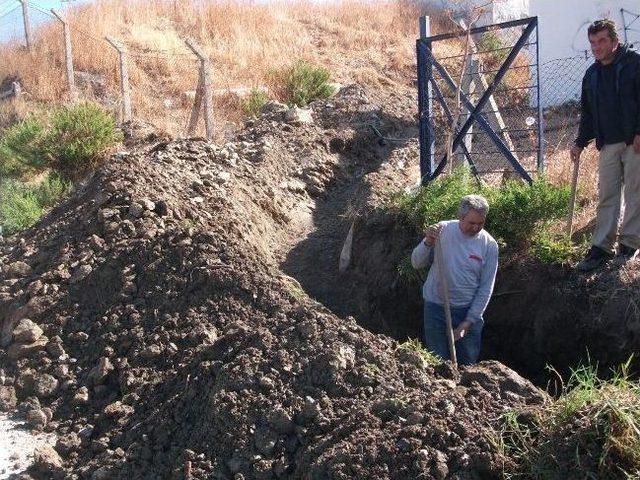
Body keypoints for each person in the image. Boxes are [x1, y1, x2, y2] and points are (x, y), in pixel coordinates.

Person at [571, 19, 640, 271]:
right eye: (592, 42)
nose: (596, 47)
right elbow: (587, 114)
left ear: (614, 41)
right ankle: (601, 248)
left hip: (634, 142)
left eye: (601, 41)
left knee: (636, 194)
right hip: (608, 143)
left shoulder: (635, 63)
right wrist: (580, 142)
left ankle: (629, 245)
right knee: (607, 196)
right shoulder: (591, 75)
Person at [411, 195, 498, 365]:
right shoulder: (441, 231)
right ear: (460, 217)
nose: (476, 228)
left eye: (480, 223)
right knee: (438, 362)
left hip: (468, 310)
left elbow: (486, 287)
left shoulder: (489, 245)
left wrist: (469, 321)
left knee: (467, 363)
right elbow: (416, 263)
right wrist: (428, 241)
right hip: (436, 308)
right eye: (471, 223)